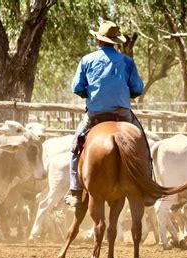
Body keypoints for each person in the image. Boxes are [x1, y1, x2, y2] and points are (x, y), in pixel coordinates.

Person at [64, 20, 150, 208]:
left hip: (95, 114)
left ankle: (75, 190)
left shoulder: (87, 60)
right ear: (115, 42)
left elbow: (76, 87)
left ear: (99, 41)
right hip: (122, 114)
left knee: (75, 146)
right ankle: (147, 188)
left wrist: (88, 94)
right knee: (143, 144)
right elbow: (137, 88)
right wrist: (127, 94)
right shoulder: (127, 61)